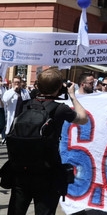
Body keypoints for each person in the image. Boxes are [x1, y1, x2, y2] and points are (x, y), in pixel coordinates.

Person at [5, 67, 89, 215]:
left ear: (37, 85)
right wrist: (72, 96)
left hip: (21, 170)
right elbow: (83, 118)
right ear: (59, 87)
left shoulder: (24, 105)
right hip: (47, 172)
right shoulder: (60, 109)